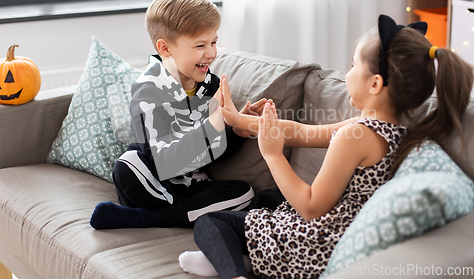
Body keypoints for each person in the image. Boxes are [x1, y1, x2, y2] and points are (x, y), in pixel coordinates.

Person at [179, 14, 473, 279]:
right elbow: (301, 132)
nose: (348, 72)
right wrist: (242, 121)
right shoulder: (388, 130)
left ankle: (232, 272)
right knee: (268, 198)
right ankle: (245, 259)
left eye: (354, 65)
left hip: (316, 247)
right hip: (336, 232)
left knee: (211, 222)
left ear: (375, 84)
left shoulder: (354, 136)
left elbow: (310, 207)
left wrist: (272, 154)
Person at [90, 0, 262, 229]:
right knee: (127, 165)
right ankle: (180, 213)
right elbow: (162, 160)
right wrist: (214, 124)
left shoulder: (211, 85)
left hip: (194, 185)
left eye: (214, 42)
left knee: (245, 192)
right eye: (200, 45)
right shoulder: (147, 90)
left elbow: (214, 152)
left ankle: (153, 217)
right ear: (166, 49)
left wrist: (238, 131)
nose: (211, 53)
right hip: (154, 179)